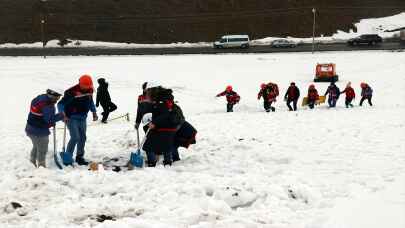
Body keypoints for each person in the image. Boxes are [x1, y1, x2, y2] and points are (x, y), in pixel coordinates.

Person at [58, 75, 98, 166]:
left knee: (83, 138)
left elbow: (90, 101)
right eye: (85, 86)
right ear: (80, 83)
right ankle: (68, 157)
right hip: (71, 117)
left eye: (89, 86)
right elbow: (60, 104)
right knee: (75, 137)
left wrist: (94, 112)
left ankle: (79, 157)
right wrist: (63, 115)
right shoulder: (71, 92)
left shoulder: (90, 90)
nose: (87, 87)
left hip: (83, 117)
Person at [142, 86, 181, 167]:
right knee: (165, 145)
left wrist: (154, 123)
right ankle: (166, 162)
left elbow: (164, 114)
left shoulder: (161, 101)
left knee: (149, 145)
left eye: (148, 93)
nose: (147, 95)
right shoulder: (162, 99)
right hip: (167, 127)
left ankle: (154, 163)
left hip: (166, 127)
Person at [25, 89, 64, 168]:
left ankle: (32, 162)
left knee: (36, 145)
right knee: (42, 149)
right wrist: (62, 115)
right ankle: (41, 166)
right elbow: (49, 119)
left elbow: (43, 116)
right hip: (39, 131)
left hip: (30, 128)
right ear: (53, 95)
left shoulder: (40, 98)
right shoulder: (47, 105)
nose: (58, 100)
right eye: (57, 98)